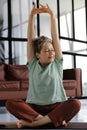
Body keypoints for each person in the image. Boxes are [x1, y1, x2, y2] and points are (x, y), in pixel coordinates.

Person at [6, 3, 81, 128]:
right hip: (35, 109)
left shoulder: (57, 62)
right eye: (47, 51)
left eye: (52, 50)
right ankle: (49, 120)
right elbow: (30, 40)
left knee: (76, 103)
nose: (51, 52)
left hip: (57, 105)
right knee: (10, 103)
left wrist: (52, 15)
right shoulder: (33, 64)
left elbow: (55, 37)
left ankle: (36, 123)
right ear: (37, 55)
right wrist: (31, 17)